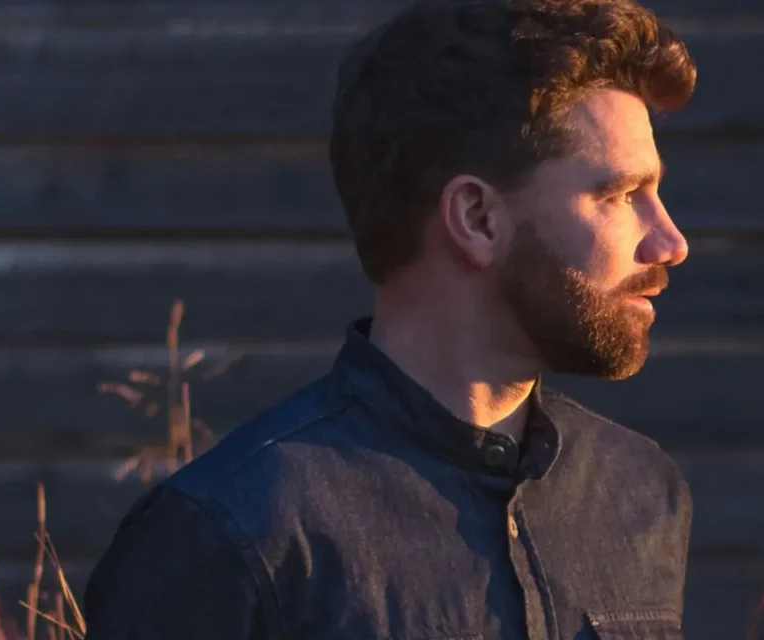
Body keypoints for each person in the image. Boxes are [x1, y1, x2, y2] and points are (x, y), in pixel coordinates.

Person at [82, 0, 696, 637]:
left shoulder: (640, 493)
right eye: (621, 195)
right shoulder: (233, 535)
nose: (671, 242)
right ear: (477, 219)